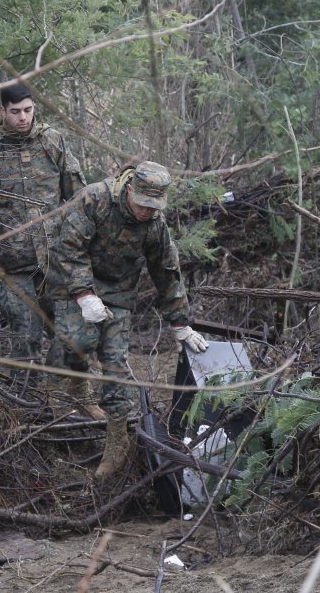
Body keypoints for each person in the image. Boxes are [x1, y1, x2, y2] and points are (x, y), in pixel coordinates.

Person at [50, 161, 209, 478]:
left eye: (154, 207)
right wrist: (84, 294)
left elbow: (166, 271)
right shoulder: (94, 199)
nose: (146, 212)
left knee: (116, 362)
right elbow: (68, 248)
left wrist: (180, 324)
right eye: (142, 205)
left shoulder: (154, 224)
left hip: (119, 292)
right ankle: (77, 387)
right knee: (78, 342)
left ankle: (117, 442)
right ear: (130, 189)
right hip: (74, 283)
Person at [0, 84, 99, 416]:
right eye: (15, 112)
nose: (23, 118)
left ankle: (76, 393)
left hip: (55, 259)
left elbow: (77, 196)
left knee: (72, 331)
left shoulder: (52, 141)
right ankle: (24, 407)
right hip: (12, 265)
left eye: (28, 110)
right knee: (25, 337)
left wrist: (83, 246)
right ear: (2, 112)